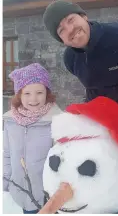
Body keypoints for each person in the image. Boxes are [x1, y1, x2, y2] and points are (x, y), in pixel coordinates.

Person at [43, 0, 118, 106]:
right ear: (62, 40)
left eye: (71, 20)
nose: (70, 29)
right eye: (61, 30)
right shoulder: (70, 59)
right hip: (101, 113)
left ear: (83, 17)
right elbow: (91, 90)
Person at [3, 63, 62, 214]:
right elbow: (8, 154)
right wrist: (6, 180)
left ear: (47, 93)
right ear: (19, 95)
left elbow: (63, 160)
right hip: (23, 192)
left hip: (49, 196)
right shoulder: (10, 121)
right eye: (27, 93)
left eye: (39, 92)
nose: (34, 99)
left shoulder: (57, 120)